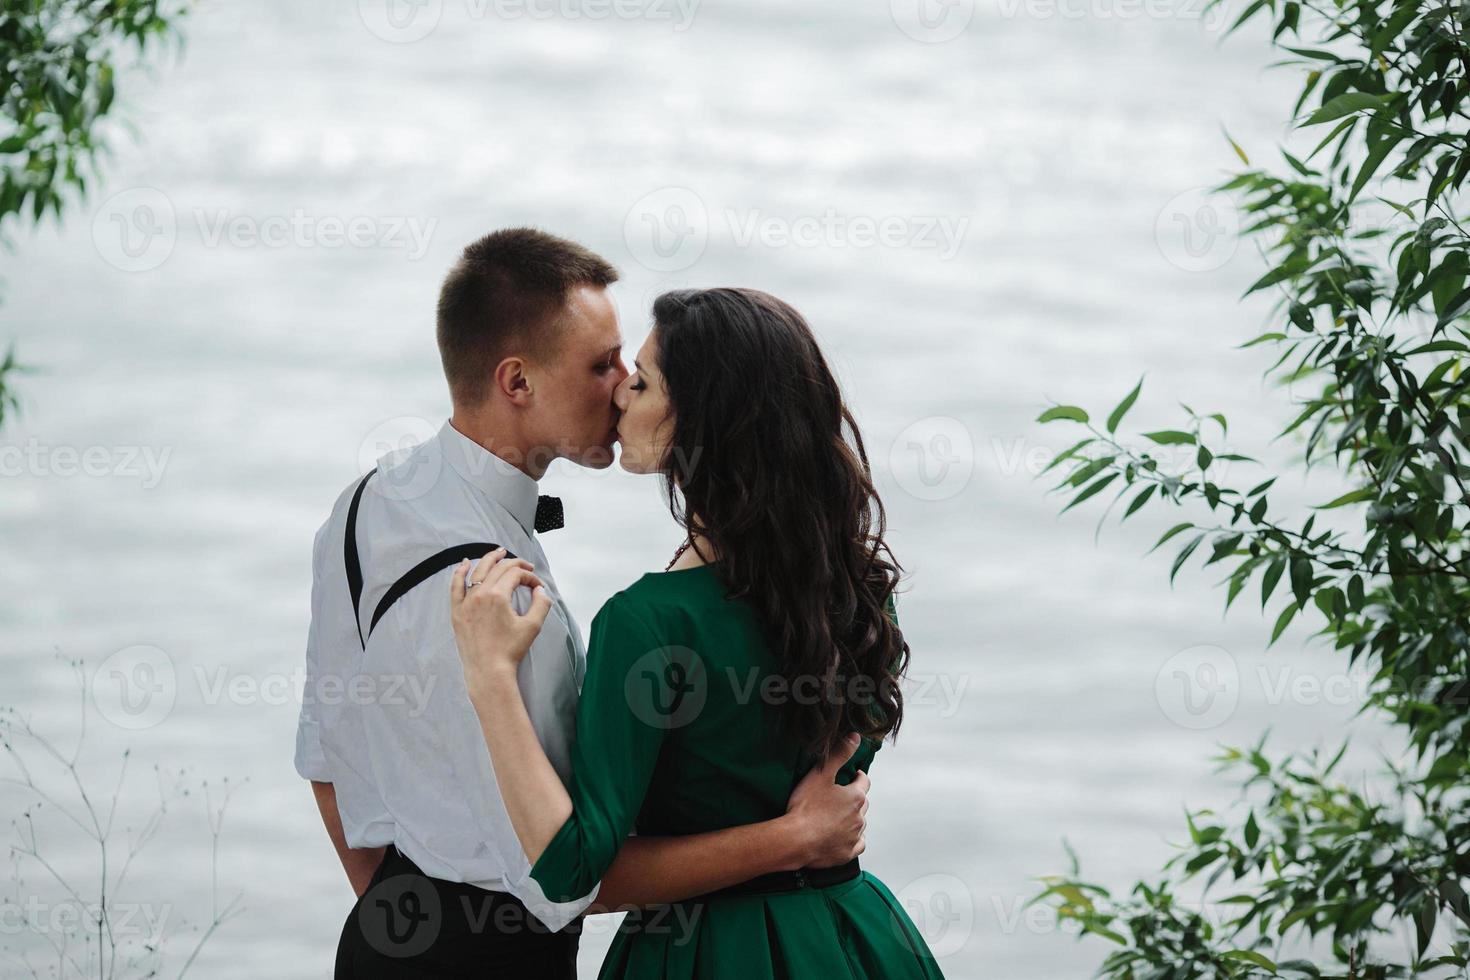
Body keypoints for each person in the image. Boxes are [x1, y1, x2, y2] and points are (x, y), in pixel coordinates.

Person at [293, 231, 872, 979]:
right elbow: (566, 881)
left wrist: (399, 920)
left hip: (388, 937)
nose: (623, 382)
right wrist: (795, 840)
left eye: (630, 362)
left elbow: (325, 756)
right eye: (603, 365)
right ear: (517, 382)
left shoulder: (364, 505)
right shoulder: (500, 606)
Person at [450, 287, 946, 978]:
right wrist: (795, 837)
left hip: (702, 954)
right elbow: (836, 793)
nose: (620, 392)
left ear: (699, 421)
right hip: (854, 939)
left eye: (643, 381)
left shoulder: (649, 621)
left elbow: (569, 868)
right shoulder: (859, 588)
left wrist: (489, 676)